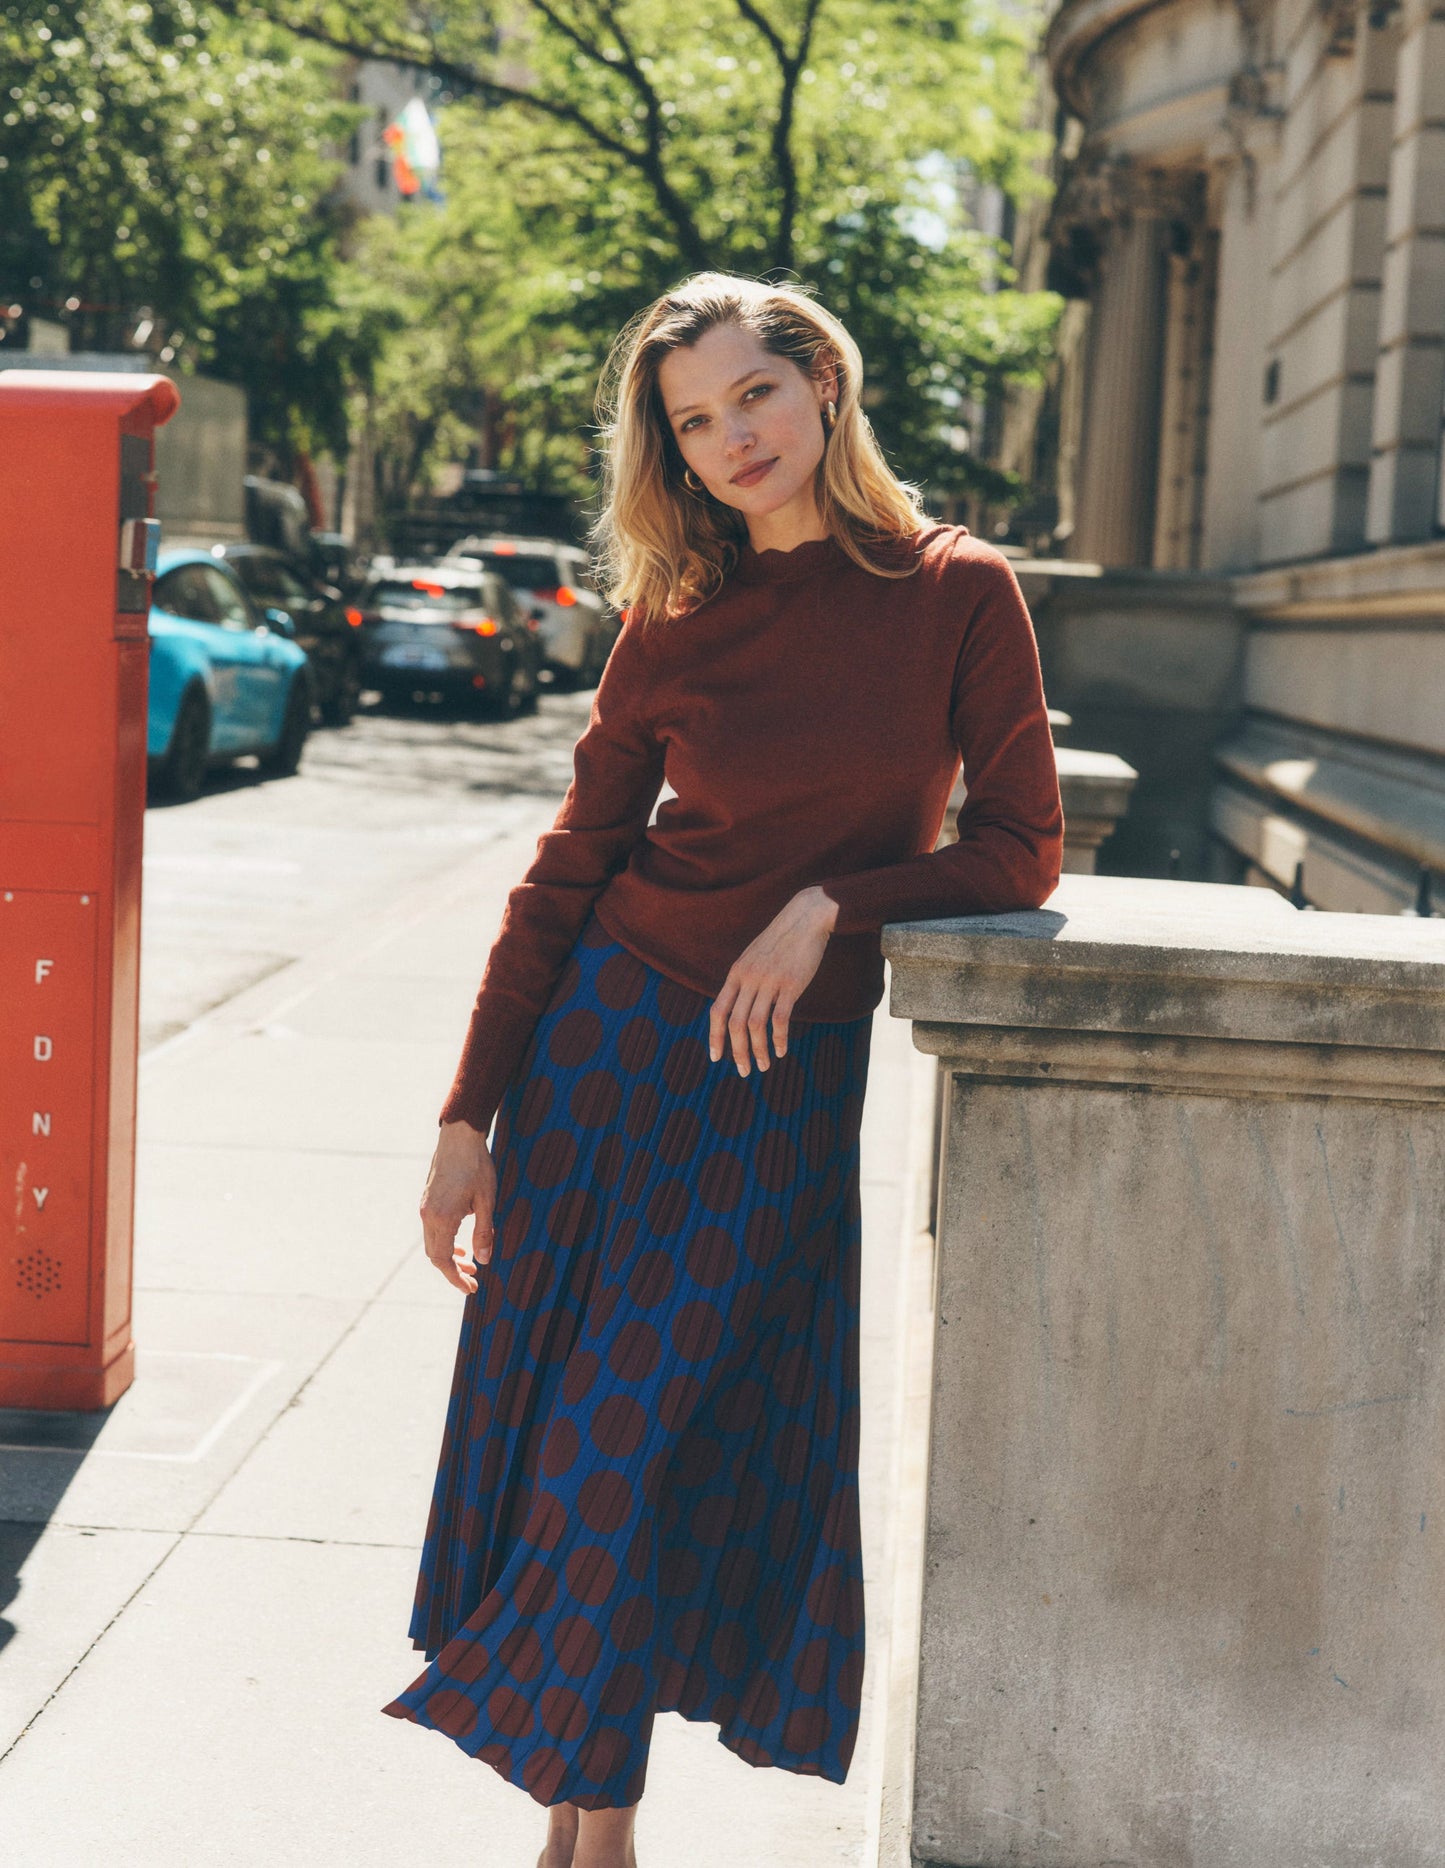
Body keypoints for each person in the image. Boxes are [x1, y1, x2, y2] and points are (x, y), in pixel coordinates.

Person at [382, 272, 1064, 1868]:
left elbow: (1018, 851)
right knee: (574, 1449)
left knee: (637, 1454)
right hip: (607, 1061)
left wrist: (832, 904)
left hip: (772, 1093)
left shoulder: (959, 592)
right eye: (693, 422)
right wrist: (466, 1113)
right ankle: (590, 1832)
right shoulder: (673, 613)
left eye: (751, 395)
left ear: (821, 381)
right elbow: (570, 867)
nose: (730, 438)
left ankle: (584, 1831)